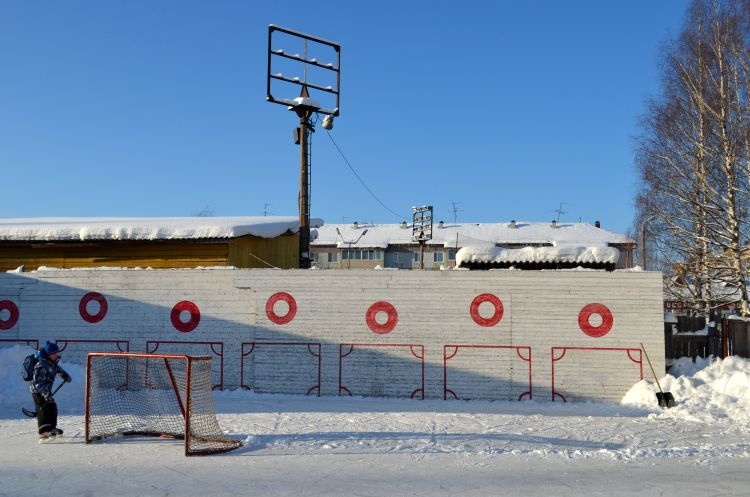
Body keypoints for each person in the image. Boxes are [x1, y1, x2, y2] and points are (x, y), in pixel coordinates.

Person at [30, 341, 72, 439]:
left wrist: (65, 375)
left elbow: (58, 369)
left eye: (57, 352)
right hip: (38, 392)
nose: (56, 355)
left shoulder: (51, 363)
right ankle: (43, 432)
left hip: (46, 391)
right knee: (43, 410)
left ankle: (51, 428)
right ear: (49, 354)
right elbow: (38, 384)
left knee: (52, 407)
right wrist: (46, 394)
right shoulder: (41, 365)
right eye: (54, 353)